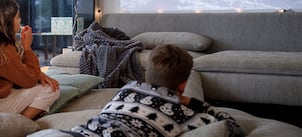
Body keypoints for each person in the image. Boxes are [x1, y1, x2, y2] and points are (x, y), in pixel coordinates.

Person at [28, 44, 245, 136]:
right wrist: (193, 102)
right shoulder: (182, 112)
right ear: (182, 85)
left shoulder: (127, 89)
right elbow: (232, 128)